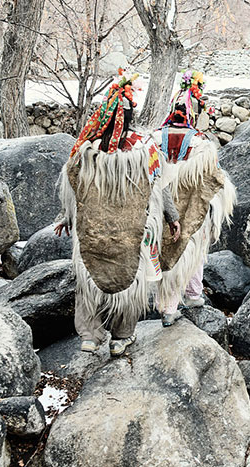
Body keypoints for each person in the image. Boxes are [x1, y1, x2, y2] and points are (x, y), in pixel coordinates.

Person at [56, 73, 167, 356]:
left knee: (89, 277)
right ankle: (121, 337)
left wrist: (66, 218)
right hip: (133, 230)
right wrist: (173, 217)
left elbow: (74, 193)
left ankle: (90, 334)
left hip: (94, 230)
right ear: (131, 117)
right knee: (131, 280)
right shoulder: (145, 148)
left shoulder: (86, 152)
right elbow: (160, 187)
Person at [153, 71, 236, 326]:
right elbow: (212, 177)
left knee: (164, 249)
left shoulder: (154, 138)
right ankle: (190, 294)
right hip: (192, 204)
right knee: (194, 247)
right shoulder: (201, 143)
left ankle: (169, 304)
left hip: (162, 204)